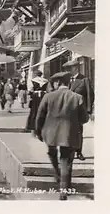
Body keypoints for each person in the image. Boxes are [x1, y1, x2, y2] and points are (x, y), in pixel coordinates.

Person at [35, 71, 89, 200]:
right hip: (69, 134)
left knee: (52, 153)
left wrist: (38, 131)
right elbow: (85, 119)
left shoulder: (48, 96)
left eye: (53, 82)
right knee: (66, 161)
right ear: (68, 82)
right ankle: (63, 190)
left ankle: (57, 174)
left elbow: (39, 116)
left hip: (50, 133)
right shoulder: (77, 97)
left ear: (57, 83)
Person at [63, 59, 94, 161]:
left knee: (79, 132)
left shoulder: (84, 80)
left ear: (75, 68)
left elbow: (90, 95)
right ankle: (68, 151)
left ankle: (79, 152)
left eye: (69, 69)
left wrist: (88, 111)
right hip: (66, 111)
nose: (67, 71)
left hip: (78, 111)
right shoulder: (65, 80)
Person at [26, 70, 49, 135]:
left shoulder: (33, 80)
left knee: (34, 111)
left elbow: (30, 90)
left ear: (36, 74)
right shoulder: (45, 80)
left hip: (36, 96)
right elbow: (47, 89)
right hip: (43, 95)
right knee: (43, 110)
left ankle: (33, 129)